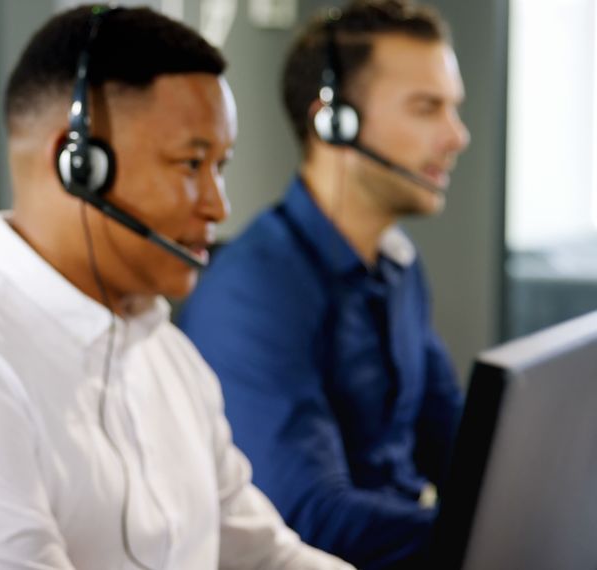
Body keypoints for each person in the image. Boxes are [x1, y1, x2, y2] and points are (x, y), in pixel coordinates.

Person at [0, 5, 351, 569]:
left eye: (220, 165)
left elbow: (264, 556)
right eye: (191, 164)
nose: (219, 205)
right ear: (79, 165)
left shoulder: (169, 359)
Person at [178, 0, 470, 567]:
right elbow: (310, 517)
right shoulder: (257, 291)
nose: (456, 135)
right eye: (427, 108)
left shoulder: (397, 268)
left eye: (452, 109)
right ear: (334, 120)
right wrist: (488, 537)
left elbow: (465, 451)